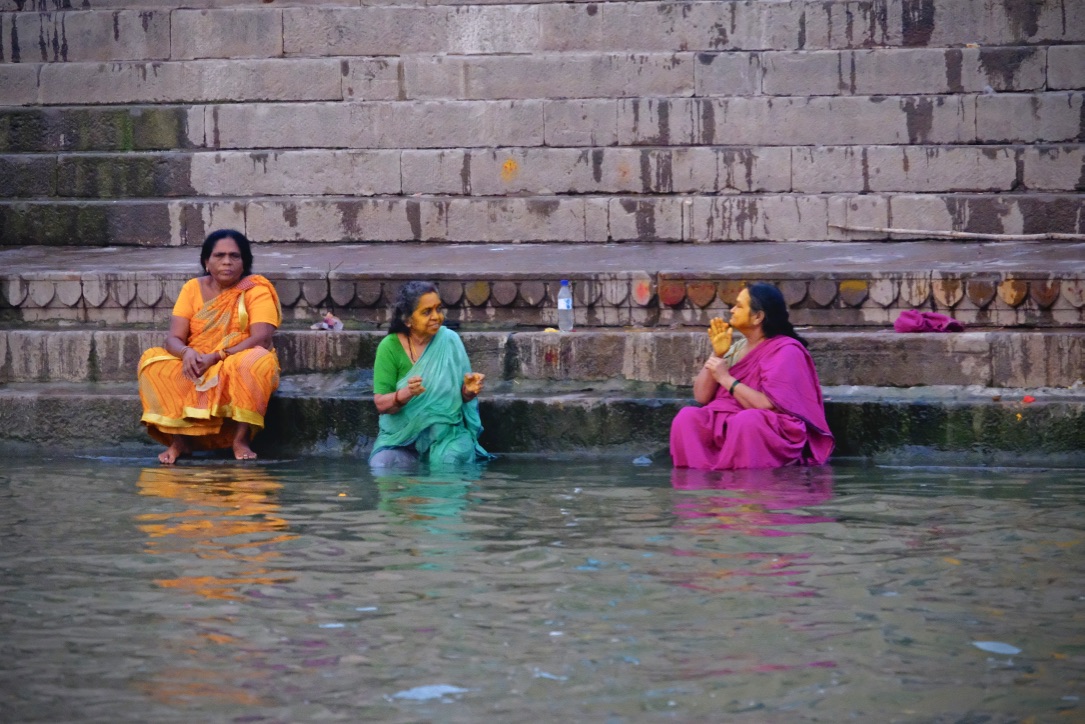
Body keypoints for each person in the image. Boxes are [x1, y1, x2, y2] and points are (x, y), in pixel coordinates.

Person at [138, 229, 281, 464]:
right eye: (219, 256)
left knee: (253, 362)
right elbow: (173, 338)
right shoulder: (192, 288)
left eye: (235, 256)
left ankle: (240, 439)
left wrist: (217, 356)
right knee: (152, 362)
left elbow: (262, 338)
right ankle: (180, 441)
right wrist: (187, 353)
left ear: (244, 262)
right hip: (197, 358)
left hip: (236, 355)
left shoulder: (256, 290)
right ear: (207, 262)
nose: (227, 262)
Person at [670, 283, 834, 470]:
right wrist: (717, 354)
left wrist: (726, 379)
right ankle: (697, 488)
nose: (732, 310)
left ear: (758, 317)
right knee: (687, 417)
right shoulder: (737, 348)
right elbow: (701, 396)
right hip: (728, 420)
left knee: (747, 421)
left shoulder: (786, 350)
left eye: (739, 306)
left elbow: (767, 405)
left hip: (765, 426)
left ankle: (750, 492)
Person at [369, 281, 491, 467]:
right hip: (402, 440)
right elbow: (381, 404)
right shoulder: (389, 347)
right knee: (382, 465)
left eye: (438, 309)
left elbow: (461, 399)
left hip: (447, 437)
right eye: (426, 312)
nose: (436, 317)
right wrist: (407, 393)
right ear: (408, 320)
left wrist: (469, 391)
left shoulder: (450, 340)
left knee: (448, 463)